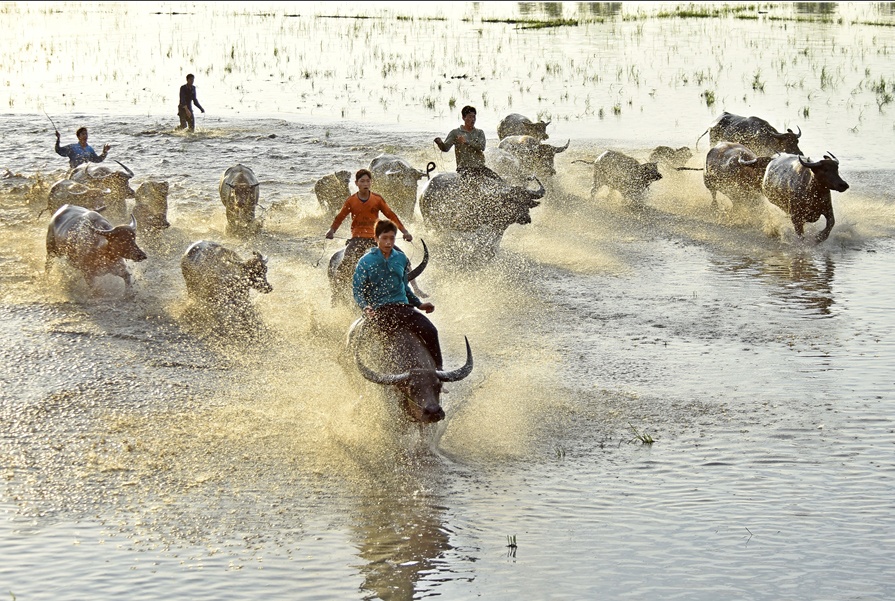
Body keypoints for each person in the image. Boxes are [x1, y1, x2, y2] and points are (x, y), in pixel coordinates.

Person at [353, 219, 441, 369]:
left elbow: (404, 286)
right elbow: (358, 289)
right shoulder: (365, 262)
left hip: (403, 308)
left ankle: (438, 372)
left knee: (431, 330)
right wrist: (365, 307)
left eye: (392, 238)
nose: (388, 242)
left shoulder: (400, 258)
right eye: (384, 238)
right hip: (379, 311)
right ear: (376, 238)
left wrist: (419, 304)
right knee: (364, 344)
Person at [326, 168, 413, 292]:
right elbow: (340, 217)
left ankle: (415, 288)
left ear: (371, 182)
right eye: (362, 181)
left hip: (376, 239)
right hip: (357, 239)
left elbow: (391, 215)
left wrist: (405, 232)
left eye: (367, 181)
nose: (365, 184)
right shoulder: (351, 201)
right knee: (344, 265)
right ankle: (338, 292)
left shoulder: (377, 199)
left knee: (404, 259)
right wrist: (331, 230)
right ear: (356, 183)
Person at [434, 105, 489, 174]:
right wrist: (440, 143)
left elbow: (482, 147)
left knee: (498, 181)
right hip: (463, 169)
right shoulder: (455, 133)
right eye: (470, 117)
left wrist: (466, 141)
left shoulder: (479, 132)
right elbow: (445, 148)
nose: (472, 119)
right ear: (463, 118)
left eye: (474, 117)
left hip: (480, 167)